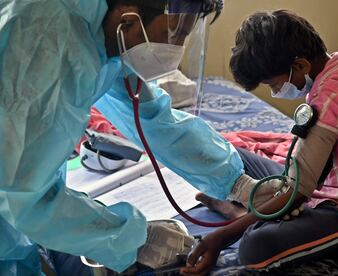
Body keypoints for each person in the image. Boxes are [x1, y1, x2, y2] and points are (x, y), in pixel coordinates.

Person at [0, 0, 256, 274]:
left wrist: (235, 181)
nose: (178, 48)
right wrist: (134, 240)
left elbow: (153, 117)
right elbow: (19, 191)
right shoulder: (42, 36)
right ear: (128, 19)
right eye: (175, 34)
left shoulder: (107, 33)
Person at [180, 10, 338, 275]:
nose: (275, 92)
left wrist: (222, 237)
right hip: (323, 184)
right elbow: (302, 178)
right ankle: (255, 211)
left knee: (254, 248)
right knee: (234, 155)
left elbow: (297, 192)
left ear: (300, 66)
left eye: (273, 84)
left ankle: (239, 215)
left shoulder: (332, 96)